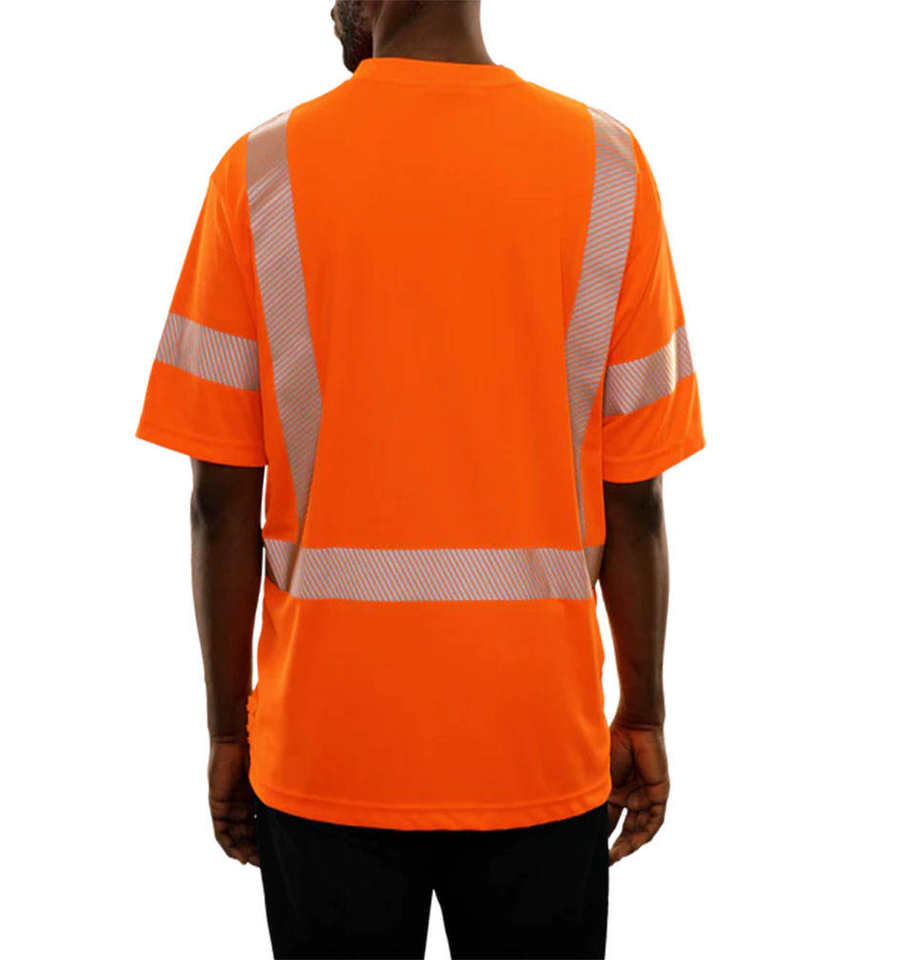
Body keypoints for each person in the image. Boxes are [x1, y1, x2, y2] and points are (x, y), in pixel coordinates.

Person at [136, 1, 704, 956]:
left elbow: (220, 504)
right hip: (537, 746)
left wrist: (229, 731)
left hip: (325, 750)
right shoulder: (610, 167)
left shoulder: (259, 172)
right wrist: (641, 709)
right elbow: (636, 498)